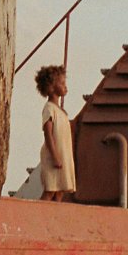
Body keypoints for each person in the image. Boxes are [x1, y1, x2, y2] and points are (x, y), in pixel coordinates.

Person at [35, 65, 76, 202]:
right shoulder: (49, 109)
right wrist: (55, 156)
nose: (65, 86)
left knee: (59, 192)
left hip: (63, 155)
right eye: (62, 83)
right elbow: (48, 134)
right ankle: (37, 216)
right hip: (54, 156)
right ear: (51, 87)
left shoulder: (61, 111)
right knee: (50, 190)